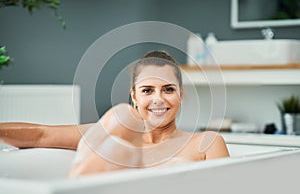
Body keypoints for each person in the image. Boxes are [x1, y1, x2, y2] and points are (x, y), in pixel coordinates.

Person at [0, 50, 229, 177]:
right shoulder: (111, 132)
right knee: (122, 119)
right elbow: (40, 135)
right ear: (134, 96)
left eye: (168, 89)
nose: (158, 99)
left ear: (181, 94)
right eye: (147, 90)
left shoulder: (206, 143)